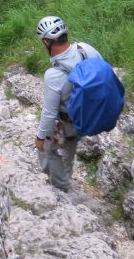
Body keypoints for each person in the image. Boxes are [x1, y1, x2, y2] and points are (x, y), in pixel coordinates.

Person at [34, 15, 102, 192]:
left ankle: (62, 187)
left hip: (65, 124)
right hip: (87, 117)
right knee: (69, 148)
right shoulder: (85, 49)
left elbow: (49, 113)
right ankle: (67, 177)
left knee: (50, 150)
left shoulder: (53, 75)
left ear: (47, 42)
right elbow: (103, 71)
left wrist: (40, 137)